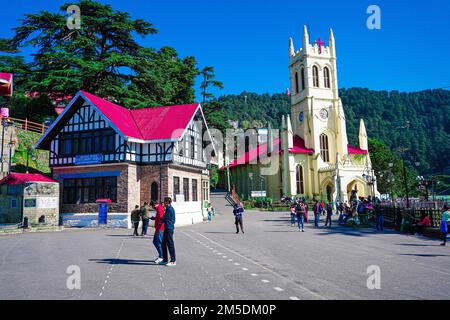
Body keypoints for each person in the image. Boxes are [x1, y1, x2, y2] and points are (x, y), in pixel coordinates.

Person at [160, 197, 176, 266]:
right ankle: (165, 259)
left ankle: (173, 261)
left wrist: (163, 211)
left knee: (170, 244)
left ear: (167, 202)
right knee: (163, 243)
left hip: (169, 228)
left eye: (164, 202)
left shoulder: (169, 209)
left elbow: (163, 218)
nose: (163, 203)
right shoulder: (168, 209)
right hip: (167, 227)